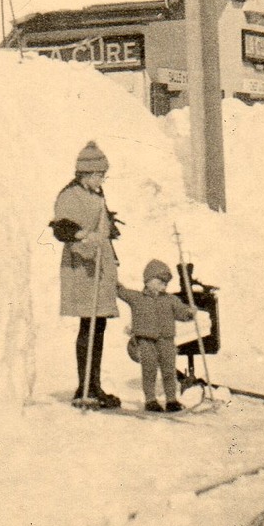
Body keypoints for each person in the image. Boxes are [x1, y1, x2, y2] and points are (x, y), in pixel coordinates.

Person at [52, 141, 123, 408]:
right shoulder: (70, 195)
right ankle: (84, 387)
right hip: (82, 267)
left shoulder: (96, 194)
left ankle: (95, 385)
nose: (103, 179)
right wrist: (84, 236)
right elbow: (62, 228)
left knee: (99, 324)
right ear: (86, 174)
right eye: (100, 174)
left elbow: (102, 223)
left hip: (99, 265)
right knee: (89, 324)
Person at [116, 260, 199, 413]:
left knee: (169, 371)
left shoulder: (170, 300)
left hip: (166, 340)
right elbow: (121, 291)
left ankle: (171, 400)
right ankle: (150, 400)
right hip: (145, 341)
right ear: (148, 281)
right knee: (149, 370)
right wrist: (111, 277)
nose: (164, 286)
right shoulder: (137, 298)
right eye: (160, 282)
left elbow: (181, 312)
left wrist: (189, 313)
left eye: (165, 283)